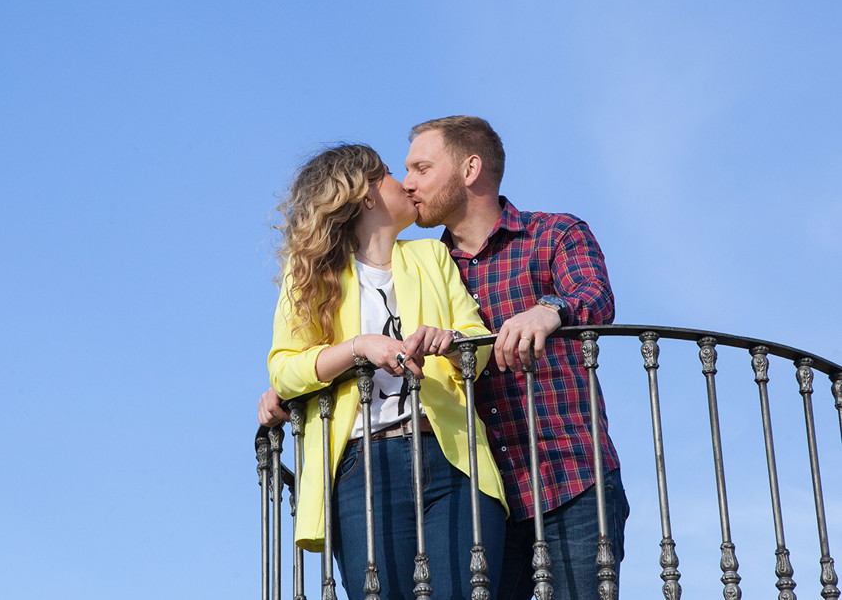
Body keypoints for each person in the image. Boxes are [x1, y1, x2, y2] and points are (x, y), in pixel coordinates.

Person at [266, 143, 508, 600]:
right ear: (368, 194)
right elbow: (285, 369)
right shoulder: (310, 278)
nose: (406, 183)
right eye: (391, 175)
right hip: (362, 469)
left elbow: (480, 341)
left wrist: (451, 341)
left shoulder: (432, 258)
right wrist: (359, 347)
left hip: (452, 455)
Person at [401, 116, 630, 600]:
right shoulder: (425, 267)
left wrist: (550, 309)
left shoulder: (554, 233)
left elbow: (595, 296)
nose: (408, 183)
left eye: (422, 167)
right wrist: (300, 381)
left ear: (470, 169)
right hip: (479, 499)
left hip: (572, 478)